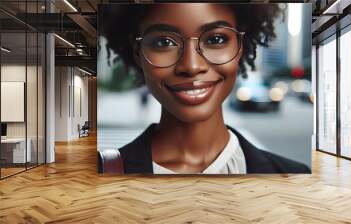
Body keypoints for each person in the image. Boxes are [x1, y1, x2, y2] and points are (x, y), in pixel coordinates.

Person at [100, 3, 311, 174]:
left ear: (241, 47)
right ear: (138, 52)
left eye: (215, 39)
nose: (191, 66)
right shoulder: (104, 173)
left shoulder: (293, 175)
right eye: (165, 42)